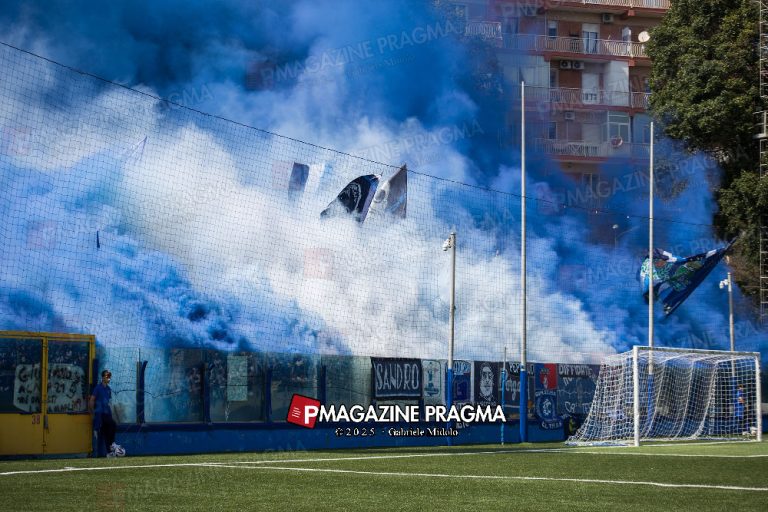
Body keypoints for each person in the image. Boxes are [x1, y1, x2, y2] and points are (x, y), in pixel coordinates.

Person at [89, 369, 124, 457]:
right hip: (100, 414)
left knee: (106, 432)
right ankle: (112, 444)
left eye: (110, 376)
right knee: (112, 424)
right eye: (107, 376)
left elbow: (108, 403)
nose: (109, 378)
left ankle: (109, 453)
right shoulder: (98, 388)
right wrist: (92, 413)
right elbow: (92, 400)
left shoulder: (108, 389)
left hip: (107, 413)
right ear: (102, 377)